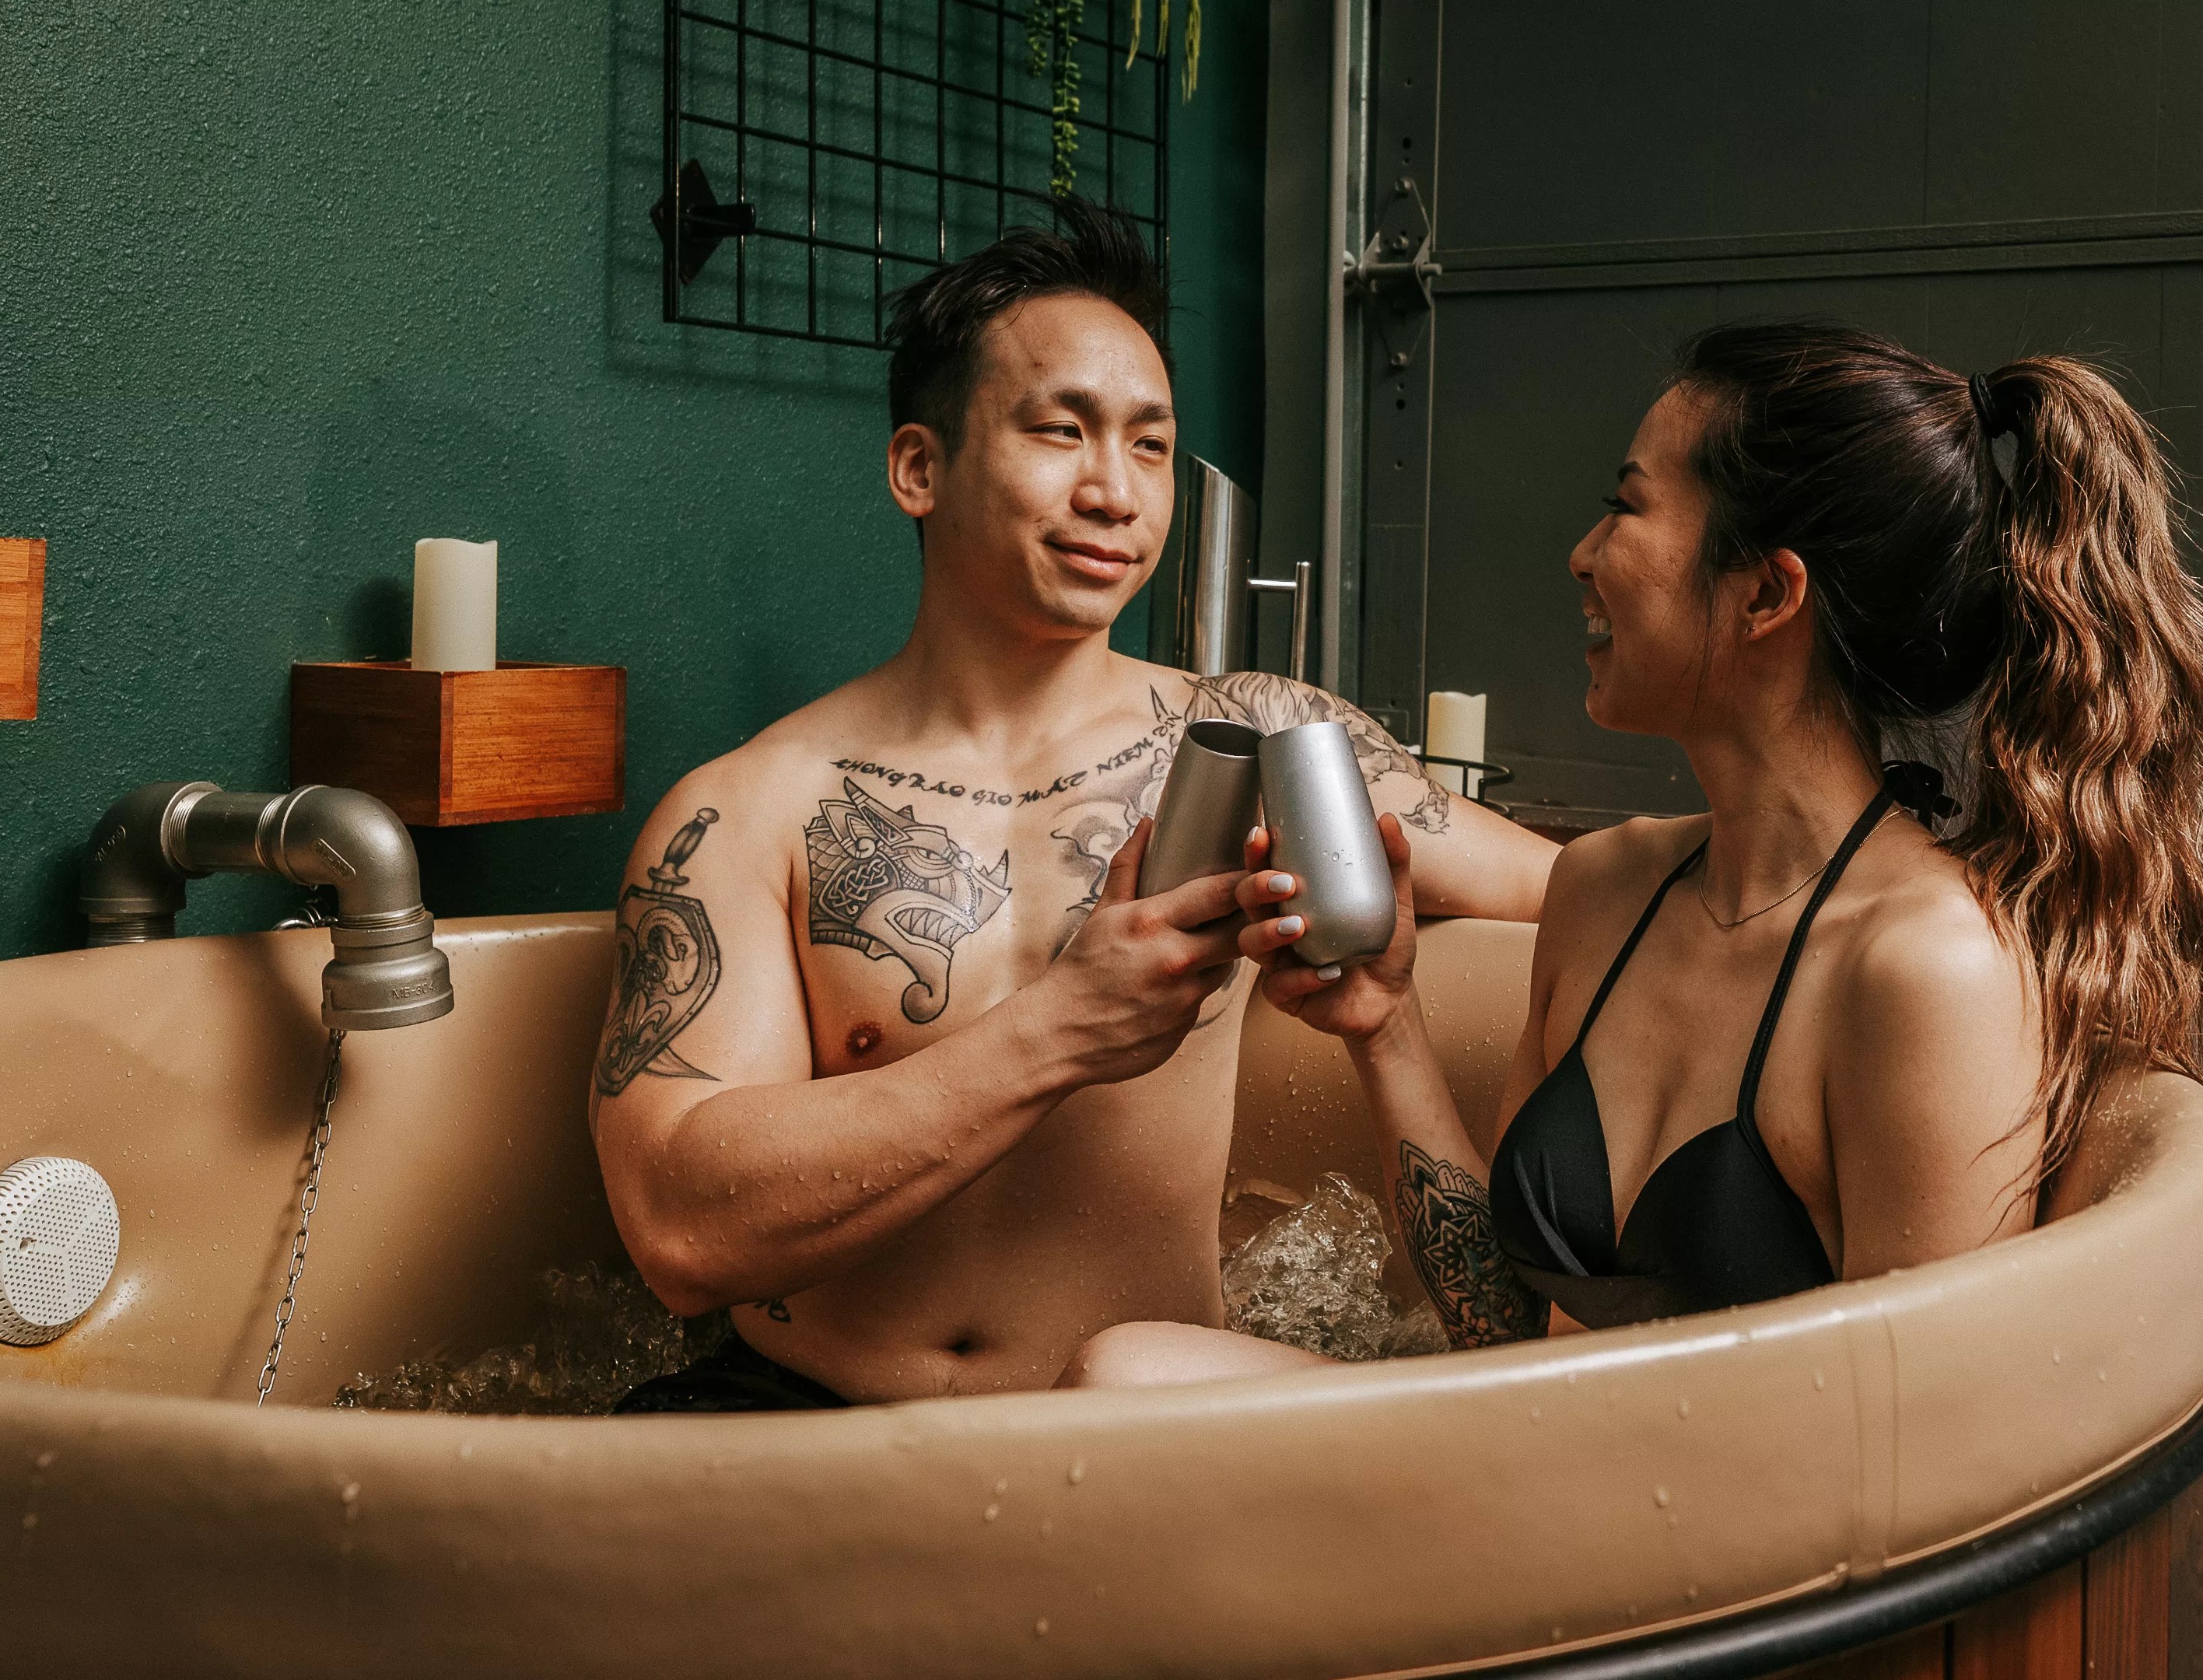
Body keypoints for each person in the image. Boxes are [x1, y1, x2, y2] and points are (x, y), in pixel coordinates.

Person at [1060, 320, 2203, 1385]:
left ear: (1766, 595)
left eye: (1627, 506)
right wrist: (1385, 1026)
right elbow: (1498, 1324)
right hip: (1531, 1477)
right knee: (1129, 1370)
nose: (1584, 555)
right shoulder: (1607, 888)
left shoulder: (1928, 972)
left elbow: (1929, 1442)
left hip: (1715, 1588)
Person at [589, 200, 1560, 1410]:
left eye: (1150, 447)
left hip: (1127, 1442)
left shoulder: (1265, 739)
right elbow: (679, 1230)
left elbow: (1594, 902)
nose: (1116, 492)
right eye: (1062, 431)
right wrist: (1063, 1029)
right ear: (919, 468)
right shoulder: (751, 811)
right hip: (812, 1429)